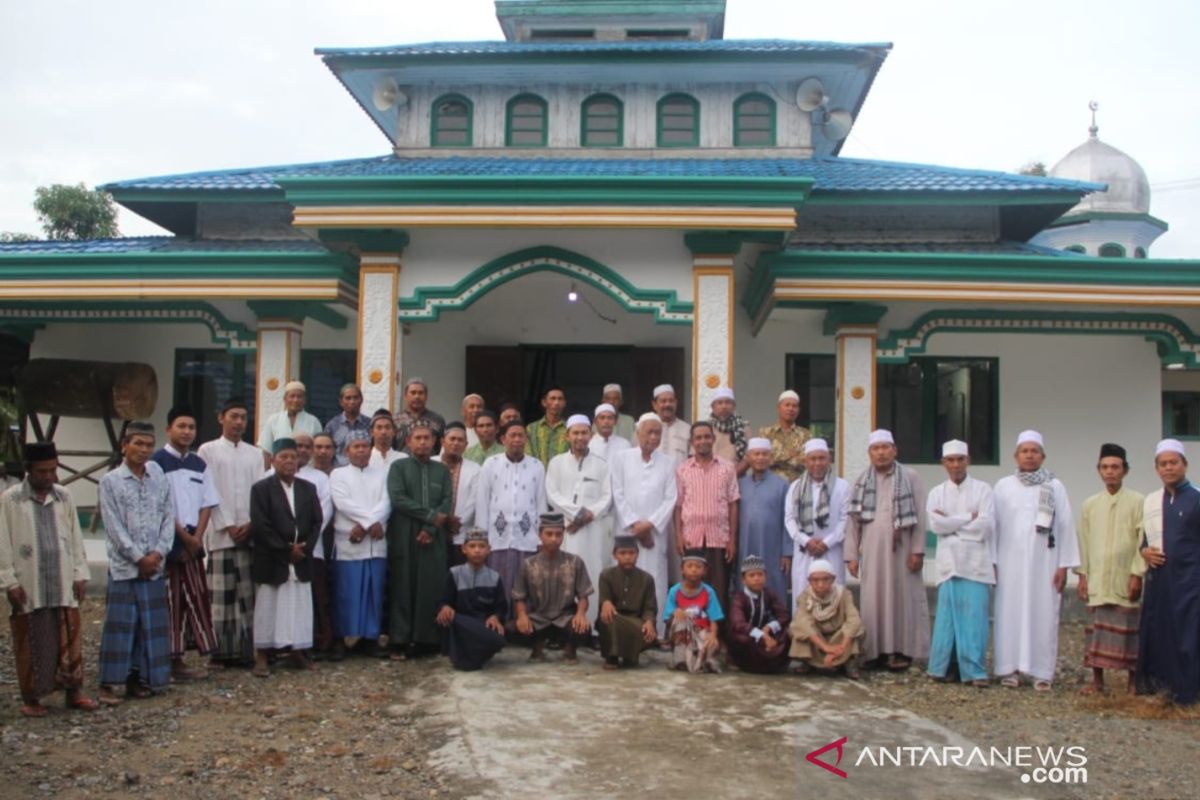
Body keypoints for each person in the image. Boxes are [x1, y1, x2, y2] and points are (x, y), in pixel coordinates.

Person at [0, 442, 98, 717]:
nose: (48, 477)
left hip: (63, 577)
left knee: (70, 635)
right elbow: (3, 542)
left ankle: (74, 691)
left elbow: (75, 536)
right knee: (32, 637)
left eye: (52, 471)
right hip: (30, 580)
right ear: (29, 470)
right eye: (42, 471)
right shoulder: (10, 499)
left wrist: (80, 572)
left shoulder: (64, 496)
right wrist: (10, 581)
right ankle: (33, 697)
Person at [992, 430, 1079, 691]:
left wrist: (1064, 566)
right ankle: (1010, 668)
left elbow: (1065, 526)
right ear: (1015, 456)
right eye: (1024, 451)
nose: (1029, 455)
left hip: (1045, 563)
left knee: (1043, 613)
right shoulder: (1003, 486)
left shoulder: (1054, 486)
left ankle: (1042, 672)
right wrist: (992, 562)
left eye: (1034, 451)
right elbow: (993, 527)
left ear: (1043, 456)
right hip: (1010, 563)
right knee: (1009, 614)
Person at [97, 422, 175, 704]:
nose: (143, 450)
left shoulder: (159, 477)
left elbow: (169, 517)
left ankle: (139, 678)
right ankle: (109, 682)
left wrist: (158, 553)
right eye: (138, 444)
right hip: (125, 567)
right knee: (120, 625)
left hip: (154, 566)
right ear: (124, 446)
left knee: (149, 626)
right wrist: (138, 557)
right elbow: (114, 527)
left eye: (148, 445)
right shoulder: (111, 482)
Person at [845, 429, 930, 672]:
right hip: (872, 551)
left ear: (895, 450)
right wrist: (852, 555)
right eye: (876, 449)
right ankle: (875, 652)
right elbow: (853, 521)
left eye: (885, 448)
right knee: (873, 599)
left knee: (904, 598)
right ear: (869, 453)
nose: (881, 453)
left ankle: (904, 651)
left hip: (903, 550)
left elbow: (921, 516)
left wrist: (918, 550)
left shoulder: (910, 477)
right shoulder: (862, 480)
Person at [151, 406, 220, 681]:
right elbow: (162, 507)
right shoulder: (156, 463)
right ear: (169, 429)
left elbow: (207, 503)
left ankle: (183, 657)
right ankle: (168, 658)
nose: (187, 432)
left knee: (195, 599)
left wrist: (197, 537)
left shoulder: (198, 464)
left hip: (193, 541)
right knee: (170, 602)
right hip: (169, 542)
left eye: (191, 427)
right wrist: (183, 539)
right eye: (181, 426)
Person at [198, 398, 264, 668]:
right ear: (221, 418)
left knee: (248, 595)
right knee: (221, 595)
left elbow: (260, 490)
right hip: (221, 533)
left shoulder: (255, 453)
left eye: (243, 418)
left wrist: (250, 524)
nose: (239, 422)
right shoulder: (208, 451)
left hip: (248, 534)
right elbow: (208, 490)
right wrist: (227, 524)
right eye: (234, 416)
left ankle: (246, 650)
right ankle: (220, 651)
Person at [1075, 443, 1145, 696]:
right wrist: (1083, 575)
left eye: (1115, 467)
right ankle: (1097, 681)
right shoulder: (1090, 504)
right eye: (1105, 467)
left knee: (1129, 632)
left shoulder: (1139, 502)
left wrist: (1137, 574)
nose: (1110, 472)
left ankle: (1132, 682)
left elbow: (1142, 541)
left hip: (1124, 577)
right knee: (1097, 631)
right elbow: (1084, 540)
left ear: (1125, 471)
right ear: (1099, 471)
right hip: (1098, 579)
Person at [249, 438, 322, 676]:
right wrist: (285, 549)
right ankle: (262, 655)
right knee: (268, 606)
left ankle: (297, 652)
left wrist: (304, 548)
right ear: (272, 460)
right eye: (284, 457)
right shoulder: (261, 489)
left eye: (293, 457)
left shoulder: (307, 488)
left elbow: (316, 521)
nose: (289, 461)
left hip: (301, 558)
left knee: (299, 605)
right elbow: (261, 526)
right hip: (273, 558)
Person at [925, 440, 995, 688]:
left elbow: (984, 527)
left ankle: (974, 671)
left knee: (974, 620)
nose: (955, 464)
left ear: (968, 461)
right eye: (950, 460)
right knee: (947, 620)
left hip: (976, 565)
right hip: (949, 564)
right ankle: (942, 668)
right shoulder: (936, 493)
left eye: (960, 459)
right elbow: (936, 526)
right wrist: (968, 518)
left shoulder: (983, 490)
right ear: (943, 463)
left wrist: (952, 526)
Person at [1136, 439, 1200, 704]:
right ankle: (1161, 688)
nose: (1169, 468)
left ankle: (1188, 693)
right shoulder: (1153, 501)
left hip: (1191, 582)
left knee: (1188, 635)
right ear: (1156, 469)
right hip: (1160, 581)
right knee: (1159, 632)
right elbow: (1145, 542)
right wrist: (1145, 552)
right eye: (1163, 464)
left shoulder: (1196, 499)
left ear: (1184, 465)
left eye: (1174, 463)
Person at [387, 421, 457, 659]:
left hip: (434, 535)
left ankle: (428, 639)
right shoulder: (399, 467)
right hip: (405, 532)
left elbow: (446, 501)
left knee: (431, 584)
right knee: (403, 584)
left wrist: (431, 527)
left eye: (427, 438)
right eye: (418, 438)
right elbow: (398, 498)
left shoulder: (442, 471)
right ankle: (400, 640)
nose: (423, 442)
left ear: (435, 442)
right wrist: (429, 516)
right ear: (408, 441)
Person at [611, 413, 677, 639]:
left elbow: (670, 498)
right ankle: (623, 632)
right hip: (626, 532)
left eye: (658, 432)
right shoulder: (622, 458)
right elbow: (617, 493)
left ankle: (654, 633)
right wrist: (634, 525)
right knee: (624, 578)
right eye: (649, 431)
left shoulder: (668, 462)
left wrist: (649, 525)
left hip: (655, 535)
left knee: (655, 580)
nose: (653, 436)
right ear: (637, 433)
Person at [546, 413, 613, 627]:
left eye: (584, 432)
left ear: (591, 435)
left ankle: (591, 627)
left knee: (592, 574)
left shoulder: (601, 465)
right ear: (567, 436)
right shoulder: (556, 463)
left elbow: (607, 496)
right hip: (566, 530)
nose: (580, 437)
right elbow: (552, 494)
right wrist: (576, 514)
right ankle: (563, 628)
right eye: (575, 432)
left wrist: (587, 516)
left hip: (592, 532)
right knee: (563, 577)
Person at [329, 432, 390, 659]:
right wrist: (368, 522)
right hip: (349, 541)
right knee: (347, 592)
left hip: (375, 542)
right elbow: (343, 502)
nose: (362, 450)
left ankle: (370, 639)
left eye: (365, 446)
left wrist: (369, 524)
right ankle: (342, 639)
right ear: (347, 451)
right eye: (356, 446)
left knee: (374, 592)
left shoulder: (382, 473)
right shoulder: (338, 474)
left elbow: (387, 501)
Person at [475, 420, 547, 609]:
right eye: (512, 435)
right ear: (503, 439)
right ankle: (499, 624)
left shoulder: (536, 466)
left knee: (527, 584)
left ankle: (523, 627)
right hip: (497, 539)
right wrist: (481, 538)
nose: (517, 439)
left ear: (526, 439)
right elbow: (482, 501)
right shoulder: (491, 464)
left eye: (520, 435)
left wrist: (542, 538)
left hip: (527, 538)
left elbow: (541, 503)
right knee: (497, 582)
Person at [674, 421, 739, 616]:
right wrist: (678, 536)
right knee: (691, 587)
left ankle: (717, 636)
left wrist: (732, 540)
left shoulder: (727, 468)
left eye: (706, 437)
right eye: (698, 438)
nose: (703, 441)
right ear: (692, 442)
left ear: (713, 439)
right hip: (691, 538)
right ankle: (691, 632)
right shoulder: (682, 469)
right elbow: (677, 506)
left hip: (718, 537)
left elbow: (733, 503)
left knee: (719, 588)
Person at [512, 513, 593, 664]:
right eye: (549, 534)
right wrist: (522, 616)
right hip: (539, 618)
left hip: (565, 618)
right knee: (512, 629)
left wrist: (581, 614)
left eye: (558, 534)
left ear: (563, 535)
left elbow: (583, 596)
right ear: (540, 535)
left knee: (583, 629)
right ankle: (537, 648)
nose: (554, 539)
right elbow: (519, 597)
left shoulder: (575, 562)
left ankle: (570, 650)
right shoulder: (528, 564)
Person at [784, 438, 850, 599]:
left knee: (833, 594)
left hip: (832, 550)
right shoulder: (795, 487)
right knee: (803, 594)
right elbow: (789, 519)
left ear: (829, 460)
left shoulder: (842, 486)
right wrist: (806, 541)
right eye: (813, 459)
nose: (817, 463)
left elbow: (845, 520)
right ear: (805, 461)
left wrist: (827, 543)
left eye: (822, 458)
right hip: (804, 551)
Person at [436, 528, 507, 671]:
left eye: (481, 546)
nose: (477, 550)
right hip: (459, 624)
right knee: (447, 618)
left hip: (481, 625)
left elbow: (501, 606)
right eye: (472, 546)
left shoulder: (494, 577)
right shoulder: (454, 573)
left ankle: (468, 657)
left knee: (498, 640)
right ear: (464, 549)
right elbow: (444, 600)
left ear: (489, 549)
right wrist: (445, 607)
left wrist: (495, 616)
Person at [293, 433, 336, 660]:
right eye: (297, 445)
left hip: (313, 546)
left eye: (306, 446)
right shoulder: (271, 474)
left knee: (317, 596)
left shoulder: (319, 478)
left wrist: (306, 541)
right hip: (284, 549)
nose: (302, 450)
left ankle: (318, 641)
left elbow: (324, 512)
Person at [789, 559, 864, 679]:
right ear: (809, 581)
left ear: (833, 579)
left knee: (855, 630)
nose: (820, 584)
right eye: (816, 580)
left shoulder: (844, 594)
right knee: (799, 627)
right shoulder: (804, 597)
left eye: (825, 579)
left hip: (838, 639)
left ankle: (849, 663)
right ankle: (807, 662)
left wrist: (841, 648)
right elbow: (803, 623)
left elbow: (853, 619)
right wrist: (826, 648)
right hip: (817, 640)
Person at [736, 438, 790, 599]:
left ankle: (777, 622)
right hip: (746, 543)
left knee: (773, 581)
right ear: (748, 457)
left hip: (772, 546)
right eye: (756, 454)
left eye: (764, 454)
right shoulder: (740, 484)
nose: (760, 458)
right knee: (746, 580)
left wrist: (787, 553)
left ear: (770, 457)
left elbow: (788, 520)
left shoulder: (782, 485)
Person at [596, 535, 658, 669]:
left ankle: (630, 657)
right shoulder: (606, 575)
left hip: (637, 621)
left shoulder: (647, 579)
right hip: (614, 617)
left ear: (637, 554)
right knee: (609, 618)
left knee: (643, 629)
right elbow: (604, 600)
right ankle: (612, 657)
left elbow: (650, 607)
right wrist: (606, 602)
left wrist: (649, 622)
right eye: (622, 553)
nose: (627, 557)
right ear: (615, 555)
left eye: (631, 553)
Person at [727, 554, 791, 674]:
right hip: (748, 637)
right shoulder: (739, 598)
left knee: (788, 632)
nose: (757, 578)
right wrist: (761, 636)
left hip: (765, 636)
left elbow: (784, 615)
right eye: (752, 575)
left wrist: (769, 627)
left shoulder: (769, 594)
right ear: (744, 580)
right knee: (741, 638)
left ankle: (771, 662)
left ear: (765, 576)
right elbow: (738, 624)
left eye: (760, 574)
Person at [663, 550, 725, 673]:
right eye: (689, 566)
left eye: (698, 567)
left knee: (710, 645)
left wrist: (713, 635)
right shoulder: (674, 591)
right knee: (680, 620)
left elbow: (714, 619)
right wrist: (676, 612)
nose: (694, 570)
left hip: (702, 631)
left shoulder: (709, 591)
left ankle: (702, 661)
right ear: (682, 569)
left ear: (704, 571)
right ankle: (679, 661)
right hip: (682, 633)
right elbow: (667, 618)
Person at [435, 422, 481, 567]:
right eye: (452, 439)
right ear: (443, 441)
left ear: (466, 444)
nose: (456, 443)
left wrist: (457, 522)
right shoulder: (430, 463)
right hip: (434, 531)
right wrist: (442, 520)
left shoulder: (474, 469)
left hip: (460, 533)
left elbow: (474, 501)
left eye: (460, 440)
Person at [259, 381, 323, 460]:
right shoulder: (273, 420)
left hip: (307, 469)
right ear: (285, 399)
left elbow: (319, 449)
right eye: (292, 396)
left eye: (299, 397)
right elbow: (266, 450)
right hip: (279, 469)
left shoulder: (314, 422)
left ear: (304, 400)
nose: (295, 400)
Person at [758, 390, 812, 483]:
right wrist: (792, 456)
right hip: (770, 484)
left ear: (798, 410)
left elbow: (806, 462)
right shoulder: (765, 433)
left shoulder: (806, 435)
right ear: (778, 408)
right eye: (787, 405)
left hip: (797, 486)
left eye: (794, 406)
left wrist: (776, 456)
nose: (791, 409)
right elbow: (762, 461)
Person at [394, 377, 446, 454]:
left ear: (426, 396)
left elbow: (442, 448)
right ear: (405, 396)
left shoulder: (437, 420)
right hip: (402, 464)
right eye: (413, 392)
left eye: (420, 393)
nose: (417, 396)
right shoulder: (395, 420)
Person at [324, 383, 370, 466]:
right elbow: (327, 450)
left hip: (364, 470)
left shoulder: (369, 424)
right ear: (341, 402)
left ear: (361, 400)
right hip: (338, 470)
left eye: (355, 398)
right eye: (348, 398)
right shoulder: (332, 425)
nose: (352, 401)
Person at [708, 387, 750, 476]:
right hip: (709, 478)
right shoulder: (705, 427)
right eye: (720, 403)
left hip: (737, 478)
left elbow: (748, 457)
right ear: (713, 407)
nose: (724, 406)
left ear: (734, 406)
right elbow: (696, 456)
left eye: (728, 402)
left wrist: (732, 475)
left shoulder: (743, 427)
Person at [526, 385, 569, 467]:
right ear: (544, 402)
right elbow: (527, 456)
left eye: (560, 399)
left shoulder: (570, 429)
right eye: (553, 398)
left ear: (564, 403)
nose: (556, 402)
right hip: (537, 475)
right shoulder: (531, 429)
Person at [651, 384, 690, 465]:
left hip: (679, 476)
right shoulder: (644, 429)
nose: (667, 404)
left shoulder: (687, 429)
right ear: (654, 405)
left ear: (676, 403)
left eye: (671, 401)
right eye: (663, 401)